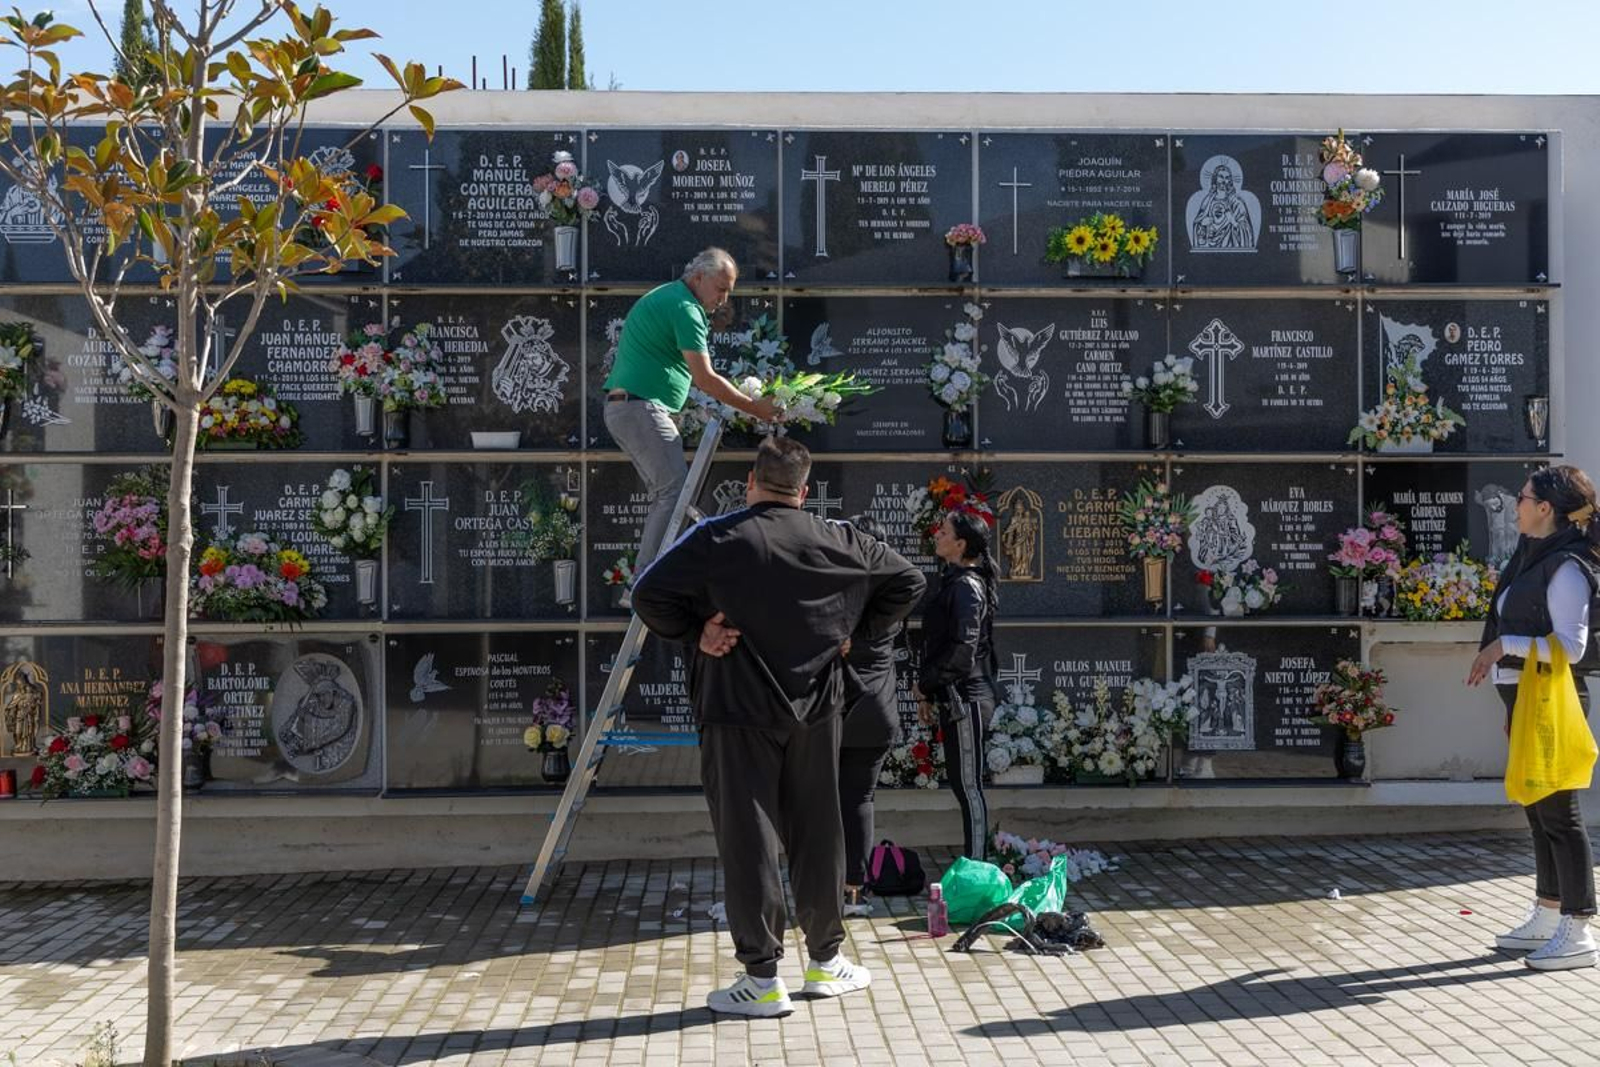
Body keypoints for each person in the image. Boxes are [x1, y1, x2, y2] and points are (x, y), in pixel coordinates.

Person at [632, 437, 924, 1017]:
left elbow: (647, 592)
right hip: (817, 708)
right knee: (820, 830)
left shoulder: (717, 536)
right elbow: (909, 581)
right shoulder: (841, 538)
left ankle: (762, 978)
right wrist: (855, 634)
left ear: (750, 483)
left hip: (736, 709)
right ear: (804, 490)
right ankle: (825, 962)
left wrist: (698, 634)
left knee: (750, 837)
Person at [1467, 464, 1600, 971]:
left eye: (1523, 497)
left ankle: (1578, 927)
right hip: (1526, 699)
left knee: (1560, 816)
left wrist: (1504, 646)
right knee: (1536, 811)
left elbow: (1572, 644)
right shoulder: (1531, 555)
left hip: (1553, 699)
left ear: (1546, 508)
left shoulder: (1566, 565)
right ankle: (1547, 915)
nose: (1516, 504)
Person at [602, 247, 779, 599]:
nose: (724, 299)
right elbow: (705, 379)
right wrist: (754, 407)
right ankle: (646, 583)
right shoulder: (685, 307)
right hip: (640, 409)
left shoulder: (669, 297)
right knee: (673, 493)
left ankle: (648, 577)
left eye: (729, 291)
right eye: (721, 289)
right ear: (698, 278)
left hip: (629, 408)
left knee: (667, 493)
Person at [914, 508, 999, 860]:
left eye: (945, 532)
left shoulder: (967, 587)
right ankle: (976, 861)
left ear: (961, 544)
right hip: (956, 697)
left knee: (969, 788)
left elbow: (963, 651)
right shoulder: (956, 580)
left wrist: (926, 684)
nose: (937, 535)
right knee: (964, 786)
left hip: (967, 699)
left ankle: (979, 867)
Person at [837, 514, 906, 919]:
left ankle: (822, 886)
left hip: (835, 710)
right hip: (877, 712)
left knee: (826, 801)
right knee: (860, 799)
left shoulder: (839, 597)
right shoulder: (890, 596)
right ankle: (855, 894)